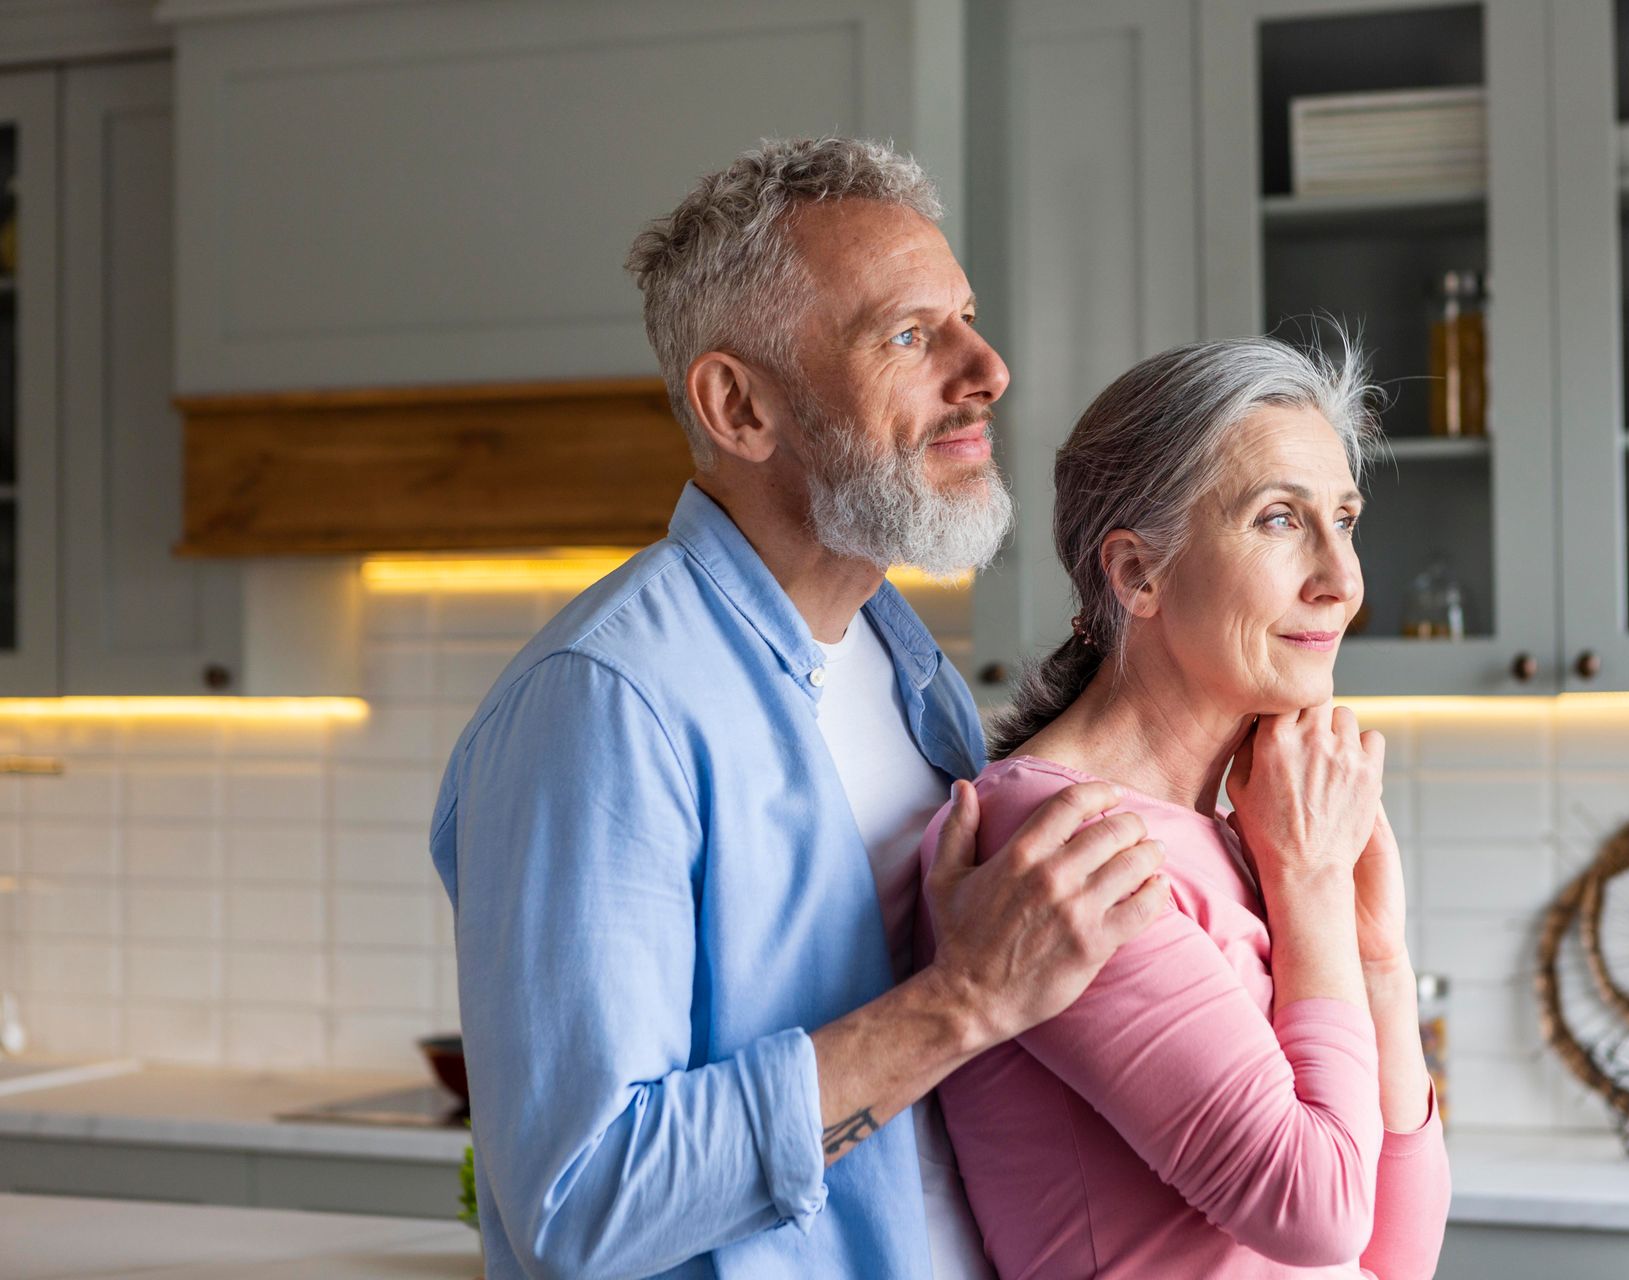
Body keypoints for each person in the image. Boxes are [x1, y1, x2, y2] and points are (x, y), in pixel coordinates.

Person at [427, 137, 1170, 1280]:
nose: (988, 368)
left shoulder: (904, 664)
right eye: (911, 335)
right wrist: (962, 999)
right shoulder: (605, 705)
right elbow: (581, 1203)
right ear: (738, 404)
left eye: (965, 317)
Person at [917, 337, 1453, 1278]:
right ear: (1136, 575)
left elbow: (1396, 1251)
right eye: (1281, 519)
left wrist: (1377, 956)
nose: (1342, 579)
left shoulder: (1244, 834)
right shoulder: (1064, 844)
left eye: (1345, 518)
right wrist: (1314, 886)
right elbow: (1316, 1213)